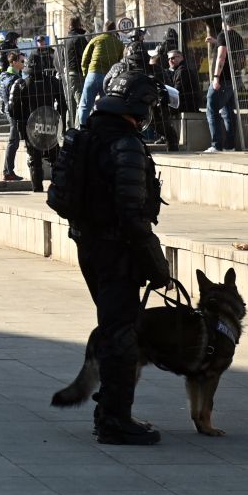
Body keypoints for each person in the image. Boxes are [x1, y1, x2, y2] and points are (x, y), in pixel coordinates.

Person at [66, 65, 169, 445]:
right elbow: (131, 213)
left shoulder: (88, 133)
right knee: (122, 335)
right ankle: (115, 419)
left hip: (88, 244)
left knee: (113, 328)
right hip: (116, 250)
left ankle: (108, 412)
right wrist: (155, 263)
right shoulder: (125, 143)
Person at [8, 49, 67, 193]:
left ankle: (38, 189)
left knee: (35, 159)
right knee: (55, 158)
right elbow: (63, 105)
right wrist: (61, 124)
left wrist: (22, 125)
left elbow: (12, 109)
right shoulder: (53, 82)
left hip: (32, 127)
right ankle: (58, 188)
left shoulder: (22, 84)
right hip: (50, 125)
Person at [205, 19, 244, 152]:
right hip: (234, 79)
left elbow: (221, 57)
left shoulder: (223, 35)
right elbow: (241, 59)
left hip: (223, 79)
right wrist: (216, 42)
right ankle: (230, 146)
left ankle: (216, 145)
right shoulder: (237, 37)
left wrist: (216, 78)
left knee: (211, 110)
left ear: (223, 21)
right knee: (228, 112)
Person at [78, 21, 123, 125]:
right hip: (108, 78)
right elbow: (120, 62)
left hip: (93, 74)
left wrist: (85, 73)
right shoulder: (119, 44)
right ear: (114, 30)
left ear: (104, 29)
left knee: (85, 106)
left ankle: (83, 128)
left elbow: (85, 58)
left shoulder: (96, 39)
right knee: (105, 107)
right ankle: (102, 129)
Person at [0, 52, 26, 182]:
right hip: (13, 113)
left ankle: (8, 171)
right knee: (13, 141)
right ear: (14, 62)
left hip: (11, 111)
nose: (24, 63)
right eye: (22, 61)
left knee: (14, 141)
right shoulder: (12, 79)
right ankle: (8, 172)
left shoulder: (8, 76)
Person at [62, 17, 88, 123]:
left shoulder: (65, 39)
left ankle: (70, 129)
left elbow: (61, 58)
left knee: (71, 105)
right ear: (79, 25)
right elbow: (86, 55)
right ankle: (80, 127)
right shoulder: (80, 38)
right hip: (77, 73)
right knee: (81, 103)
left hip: (67, 73)